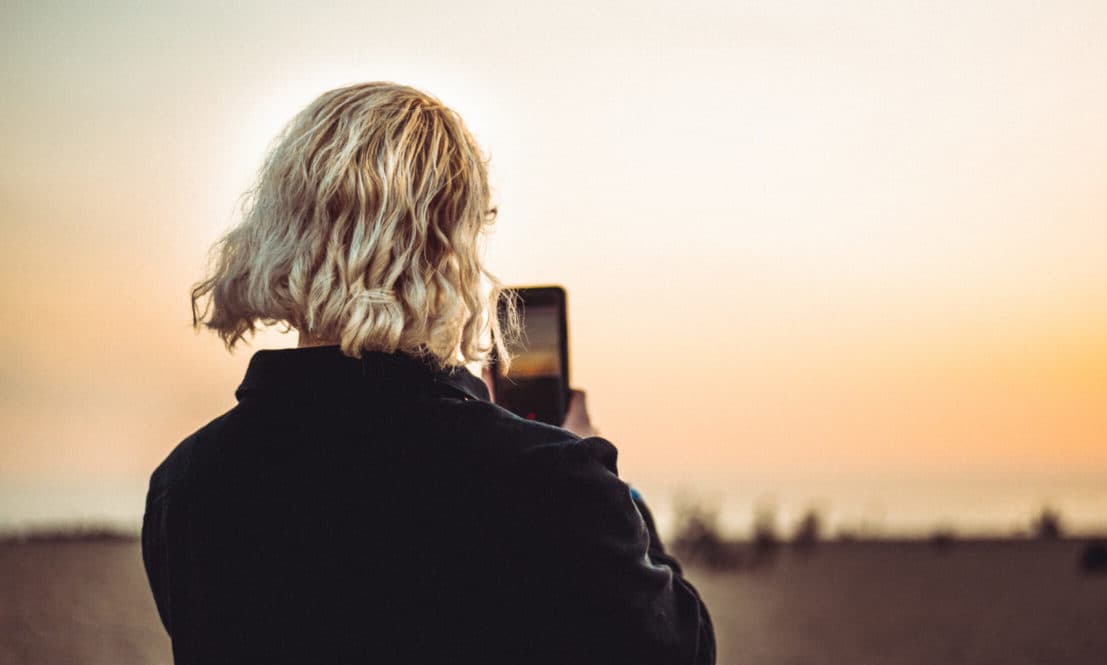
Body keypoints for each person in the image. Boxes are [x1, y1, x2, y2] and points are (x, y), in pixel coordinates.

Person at [141, 82, 716, 665]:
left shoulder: (187, 485)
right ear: (451, 247)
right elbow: (682, 649)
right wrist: (606, 478)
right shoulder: (552, 480)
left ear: (280, 230)